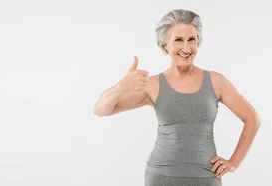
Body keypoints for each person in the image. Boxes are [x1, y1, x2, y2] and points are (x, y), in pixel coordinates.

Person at [93, 9, 261, 186]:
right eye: (178, 40)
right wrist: (122, 85)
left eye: (192, 40)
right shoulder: (153, 84)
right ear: (165, 44)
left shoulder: (216, 81)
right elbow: (100, 109)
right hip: (161, 177)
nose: (186, 48)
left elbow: (252, 119)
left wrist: (234, 162)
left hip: (205, 178)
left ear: (198, 42)